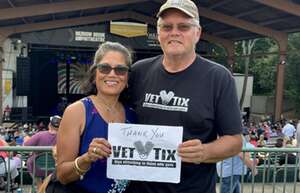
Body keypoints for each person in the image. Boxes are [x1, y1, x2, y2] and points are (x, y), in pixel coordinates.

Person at [125, 1, 242, 193]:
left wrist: (204, 152)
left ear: (197, 33)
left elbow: (235, 141)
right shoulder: (139, 71)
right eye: (167, 27)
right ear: (159, 33)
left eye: (184, 27)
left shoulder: (218, 77)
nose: (174, 32)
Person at [56, 42, 136, 193]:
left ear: (127, 78)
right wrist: (86, 159)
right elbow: (62, 175)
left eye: (120, 70)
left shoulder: (133, 114)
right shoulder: (77, 111)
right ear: (94, 74)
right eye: (105, 68)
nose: (112, 74)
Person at [23, 115, 62, 190]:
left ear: (49, 125)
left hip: (38, 168)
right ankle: (43, 187)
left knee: (29, 162)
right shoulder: (64, 137)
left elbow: (26, 146)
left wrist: (26, 139)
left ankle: (40, 187)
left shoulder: (40, 134)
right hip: (56, 168)